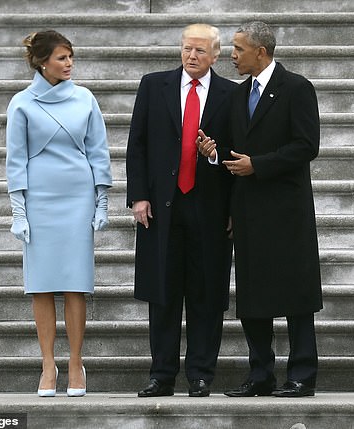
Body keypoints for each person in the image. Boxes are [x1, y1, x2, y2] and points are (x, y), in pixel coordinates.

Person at [125, 24, 236, 398]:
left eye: (201, 51)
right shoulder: (153, 85)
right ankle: (162, 375)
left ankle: (202, 374)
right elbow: (137, 144)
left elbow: (235, 152)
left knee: (206, 295)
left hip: (209, 207)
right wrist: (139, 196)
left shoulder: (230, 94)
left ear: (216, 55)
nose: (192, 56)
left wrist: (215, 155)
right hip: (162, 208)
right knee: (164, 294)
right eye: (188, 49)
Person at [217, 21, 322, 398]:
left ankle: (302, 375)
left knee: (296, 294)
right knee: (253, 295)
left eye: (238, 49)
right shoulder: (237, 94)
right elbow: (233, 150)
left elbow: (306, 145)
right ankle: (260, 373)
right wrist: (214, 153)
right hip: (248, 209)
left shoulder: (296, 88)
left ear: (260, 52)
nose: (232, 55)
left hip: (287, 209)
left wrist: (258, 165)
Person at [5, 30, 112, 397]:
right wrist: (19, 211)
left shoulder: (85, 99)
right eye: (62, 58)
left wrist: (102, 200)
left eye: (71, 57)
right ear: (42, 61)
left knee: (75, 283)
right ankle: (48, 364)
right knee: (41, 284)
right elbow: (15, 160)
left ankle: (76, 362)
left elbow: (98, 150)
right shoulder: (21, 103)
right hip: (40, 198)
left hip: (76, 196)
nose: (69, 64)